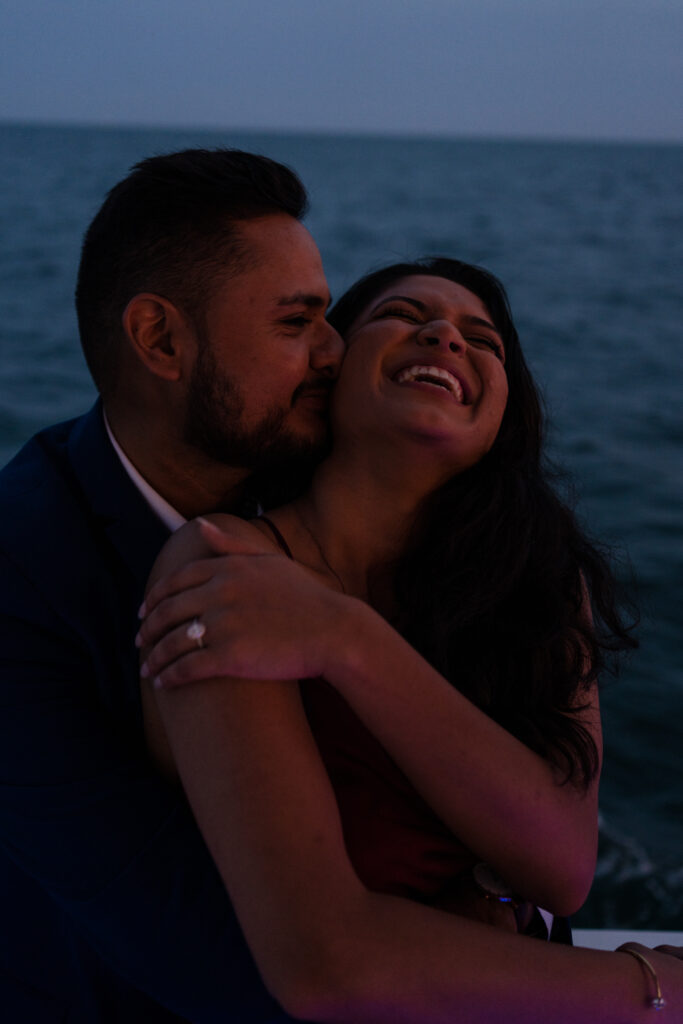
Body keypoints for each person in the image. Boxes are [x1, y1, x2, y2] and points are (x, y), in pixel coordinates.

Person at [139, 259, 683, 1023]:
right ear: (330, 364)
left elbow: (561, 868)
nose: (444, 335)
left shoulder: (540, 582)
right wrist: (651, 992)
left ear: (502, 415)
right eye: (402, 313)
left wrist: (345, 639)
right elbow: (322, 964)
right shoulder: (224, 564)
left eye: (482, 338)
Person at [0, 146, 342, 1022]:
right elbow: (204, 955)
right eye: (296, 322)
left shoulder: (312, 481)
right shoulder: (19, 579)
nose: (336, 351)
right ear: (160, 340)